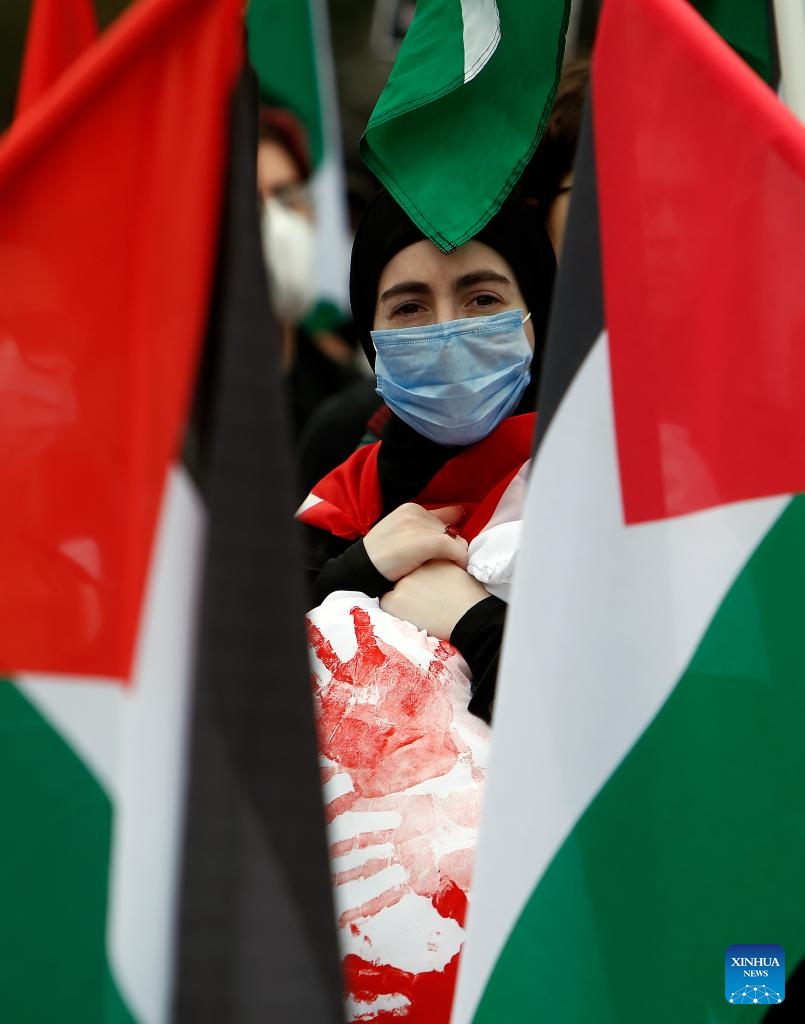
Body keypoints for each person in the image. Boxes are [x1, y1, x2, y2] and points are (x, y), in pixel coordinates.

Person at [298, 188, 556, 722]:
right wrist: (353, 576)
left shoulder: (609, 489)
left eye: (482, 299)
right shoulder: (337, 509)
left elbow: (647, 728)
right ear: (372, 340)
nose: (446, 332)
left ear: (538, 313)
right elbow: (246, 714)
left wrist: (477, 624)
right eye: (409, 307)